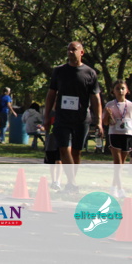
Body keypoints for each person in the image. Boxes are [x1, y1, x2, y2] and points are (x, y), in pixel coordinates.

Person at [44, 41, 102, 192]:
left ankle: (70, 184)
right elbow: (51, 94)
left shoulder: (89, 73)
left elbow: (95, 99)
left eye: (74, 49)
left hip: (81, 118)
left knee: (76, 151)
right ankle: (72, 182)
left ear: (81, 52)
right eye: (68, 49)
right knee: (64, 149)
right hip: (62, 117)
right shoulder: (59, 71)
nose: (70, 52)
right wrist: (46, 116)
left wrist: (99, 121)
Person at [103, 80, 132, 199]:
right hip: (115, 134)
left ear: (127, 90)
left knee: (121, 165)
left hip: (127, 135)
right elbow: (105, 122)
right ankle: (120, 189)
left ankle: (113, 187)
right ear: (113, 91)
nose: (120, 91)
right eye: (117, 88)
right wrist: (108, 115)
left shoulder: (130, 105)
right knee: (117, 163)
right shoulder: (110, 105)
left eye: (122, 88)